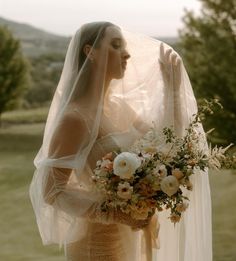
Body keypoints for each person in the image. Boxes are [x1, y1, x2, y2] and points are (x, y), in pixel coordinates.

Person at [29, 22, 212, 261]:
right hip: (98, 244)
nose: (126, 53)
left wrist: (172, 91)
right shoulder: (76, 118)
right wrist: (116, 213)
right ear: (90, 52)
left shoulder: (117, 106)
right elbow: (52, 191)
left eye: (124, 46)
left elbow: (168, 142)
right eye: (116, 46)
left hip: (132, 237)